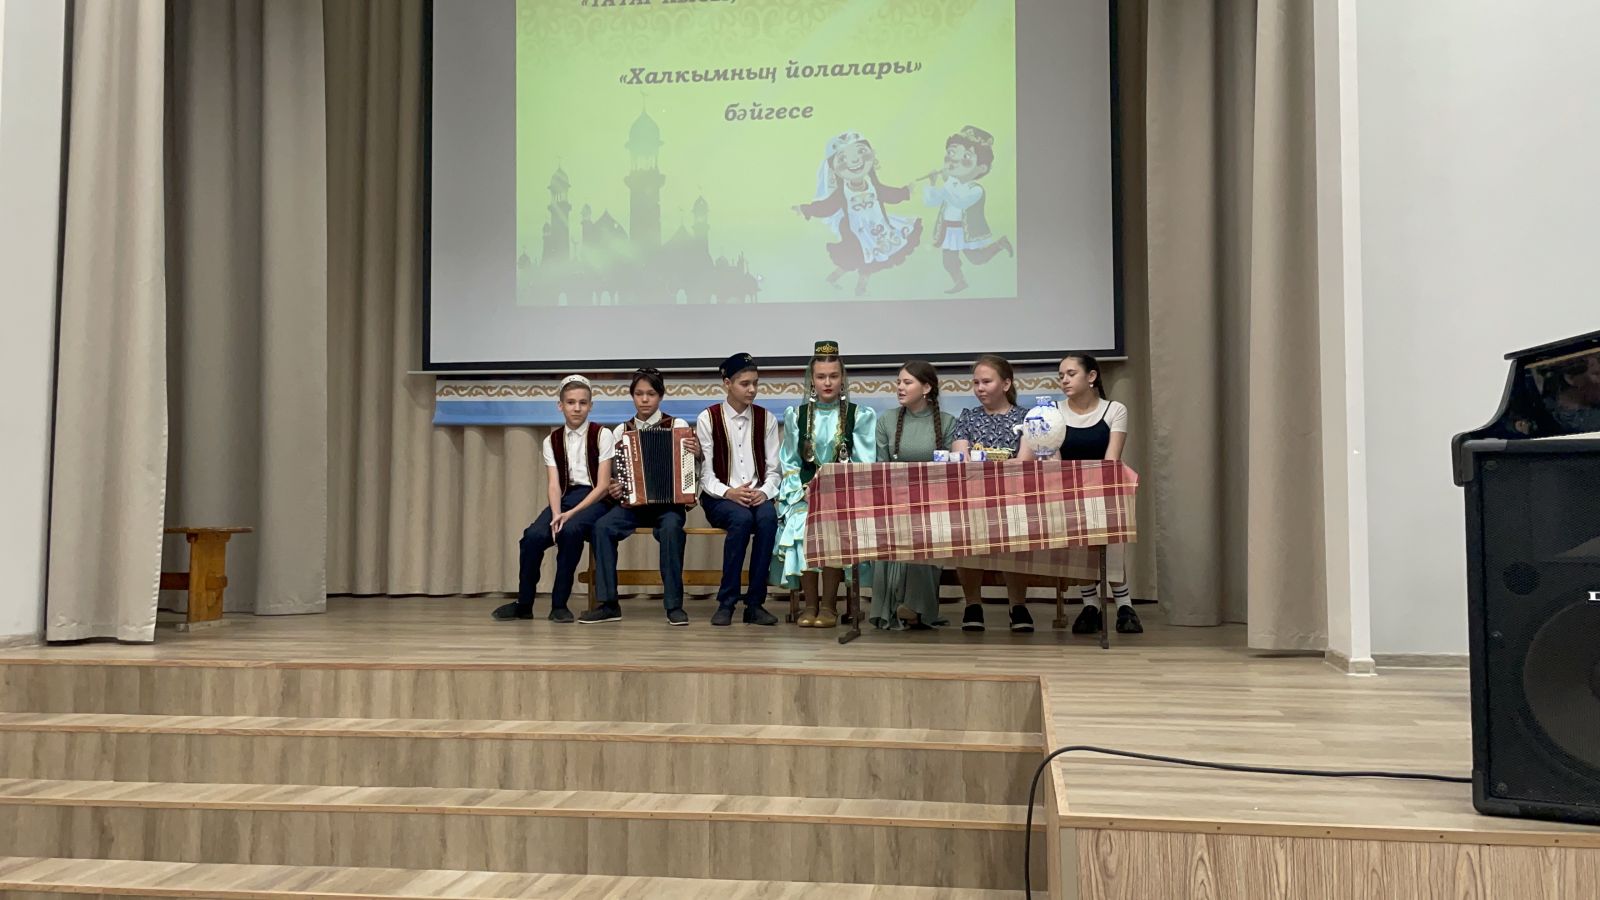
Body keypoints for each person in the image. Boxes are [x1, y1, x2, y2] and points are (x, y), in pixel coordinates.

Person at [1020, 354, 1140, 634]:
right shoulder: (1052, 412)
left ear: (1092, 376)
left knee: (1111, 545)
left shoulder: (1114, 410)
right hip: (1066, 491)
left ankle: (1124, 606)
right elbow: (1052, 459)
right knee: (1078, 547)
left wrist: (1094, 487)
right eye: (1061, 375)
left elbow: (1112, 459)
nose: (1064, 380)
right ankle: (1090, 606)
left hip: (1104, 488)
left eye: (1071, 374)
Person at [772, 340, 878, 628]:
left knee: (832, 525)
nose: (827, 383)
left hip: (842, 495)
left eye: (833, 376)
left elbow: (864, 463)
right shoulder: (797, 416)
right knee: (801, 523)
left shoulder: (860, 415)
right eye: (821, 377)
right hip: (805, 493)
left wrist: (831, 489)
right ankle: (810, 605)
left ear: (842, 379)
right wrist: (803, 489)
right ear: (812, 380)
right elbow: (790, 462)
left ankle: (829, 606)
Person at [493, 375, 613, 623]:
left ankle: (559, 604)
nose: (577, 408)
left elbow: (603, 486)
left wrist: (569, 515)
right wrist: (557, 513)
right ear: (560, 406)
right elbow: (554, 484)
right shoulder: (552, 440)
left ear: (591, 406)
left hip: (594, 499)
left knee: (571, 531)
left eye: (582, 402)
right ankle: (524, 603)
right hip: (565, 498)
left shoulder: (602, 435)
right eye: (571, 402)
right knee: (532, 537)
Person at [587, 368, 701, 626]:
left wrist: (697, 454)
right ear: (632, 396)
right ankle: (608, 604)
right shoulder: (621, 431)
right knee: (602, 527)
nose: (645, 399)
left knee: (671, 529)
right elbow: (614, 475)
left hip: (669, 505)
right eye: (639, 394)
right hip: (633, 504)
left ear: (660, 396)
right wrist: (616, 487)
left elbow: (692, 469)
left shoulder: (678, 426)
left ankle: (674, 606)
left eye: (651, 394)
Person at [695, 353, 782, 627]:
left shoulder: (766, 419)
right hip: (719, 496)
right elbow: (706, 474)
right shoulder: (708, 418)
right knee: (741, 519)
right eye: (745, 384)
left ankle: (755, 604)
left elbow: (774, 470)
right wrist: (729, 492)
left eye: (755, 383)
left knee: (768, 519)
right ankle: (727, 602)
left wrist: (764, 492)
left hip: (756, 493)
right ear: (727, 384)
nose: (752, 389)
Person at [870, 361, 957, 630]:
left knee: (922, 528)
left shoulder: (948, 423)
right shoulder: (886, 420)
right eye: (899, 382)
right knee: (892, 526)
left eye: (907, 382)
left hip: (933, 503)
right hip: (894, 501)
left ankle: (916, 607)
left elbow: (951, 472)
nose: (900, 387)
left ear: (926, 388)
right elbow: (880, 468)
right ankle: (896, 605)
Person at [949, 354, 1033, 633]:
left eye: (986, 381)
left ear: (1006, 384)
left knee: (1015, 543)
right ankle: (973, 604)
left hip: (1013, 494)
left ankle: (1018, 605)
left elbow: (1024, 460)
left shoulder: (1025, 417)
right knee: (967, 539)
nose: (980, 388)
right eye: (976, 383)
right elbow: (960, 456)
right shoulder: (968, 417)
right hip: (974, 493)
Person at [793, 131, 922, 297]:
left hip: (877, 229)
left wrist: (905, 192)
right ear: (834, 169)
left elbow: (889, 194)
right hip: (855, 234)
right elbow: (827, 207)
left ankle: (858, 288)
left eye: (861, 151)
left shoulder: (873, 186)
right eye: (843, 159)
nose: (854, 160)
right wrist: (806, 209)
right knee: (854, 261)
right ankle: (835, 280)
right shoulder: (842, 192)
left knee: (870, 261)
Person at [922, 125, 1014, 294]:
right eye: (951, 153)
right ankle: (960, 282)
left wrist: (946, 184)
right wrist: (933, 183)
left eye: (965, 156)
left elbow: (960, 203)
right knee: (948, 262)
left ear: (981, 168)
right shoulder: (951, 184)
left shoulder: (975, 190)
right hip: (949, 231)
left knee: (977, 259)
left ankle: (1000, 244)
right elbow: (930, 202)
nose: (954, 161)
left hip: (966, 232)